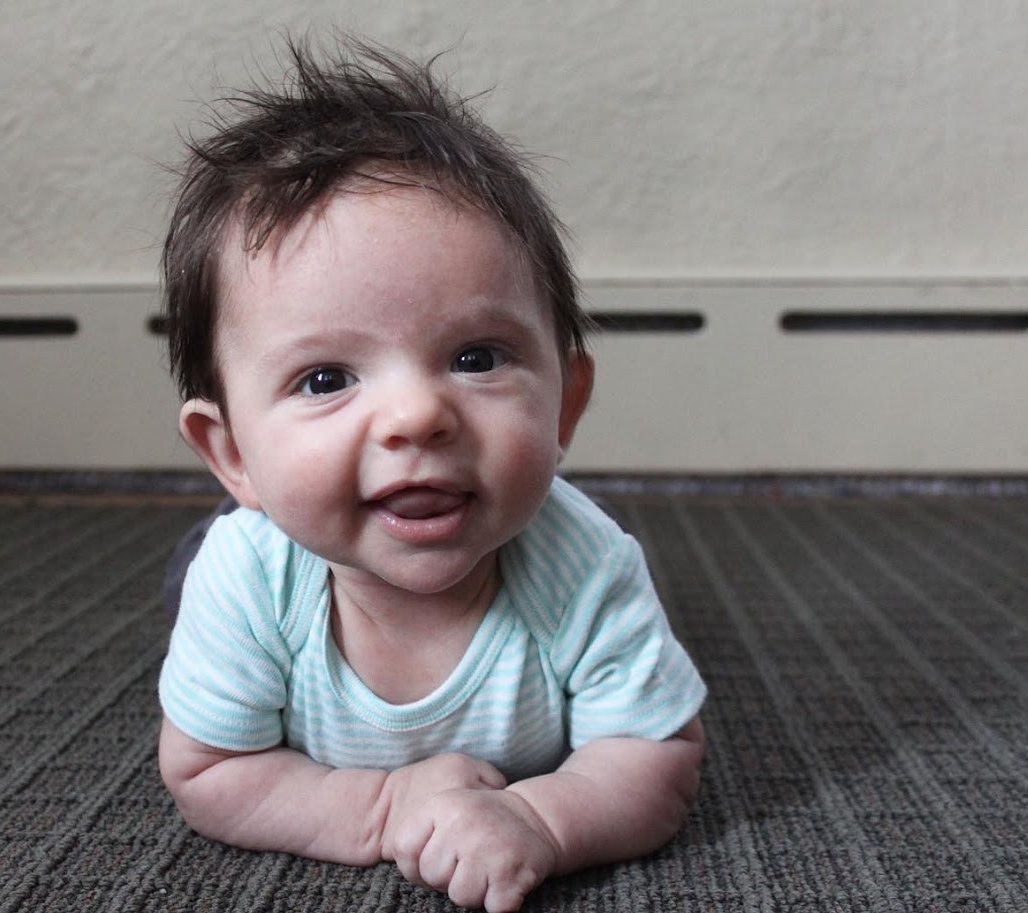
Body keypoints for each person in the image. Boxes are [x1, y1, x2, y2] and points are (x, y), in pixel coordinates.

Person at [156, 35, 707, 913]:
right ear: (229, 454)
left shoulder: (586, 565)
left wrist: (544, 818)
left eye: (477, 356)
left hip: (522, 563)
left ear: (563, 406)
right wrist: (379, 807)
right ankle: (237, 514)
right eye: (326, 378)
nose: (417, 416)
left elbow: (658, 756)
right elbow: (211, 767)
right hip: (265, 557)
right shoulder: (247, 582)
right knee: (206, 569)